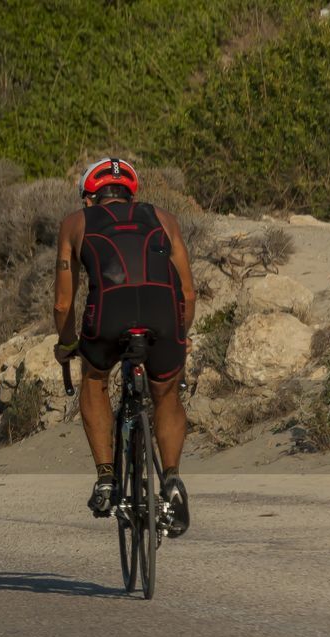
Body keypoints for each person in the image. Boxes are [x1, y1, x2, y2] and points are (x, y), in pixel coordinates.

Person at [51, 158, 194, 537]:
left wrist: (67, 345)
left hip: (107, 316)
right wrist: (182, 335)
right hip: (164, 314)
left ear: (88, 198)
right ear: (132, 195)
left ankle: (105, 479)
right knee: (166, 394)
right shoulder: (164, 218)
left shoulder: (74, 224)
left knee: (95, 379)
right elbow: (188, 292)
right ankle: (173, 481)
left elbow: (64, 304)